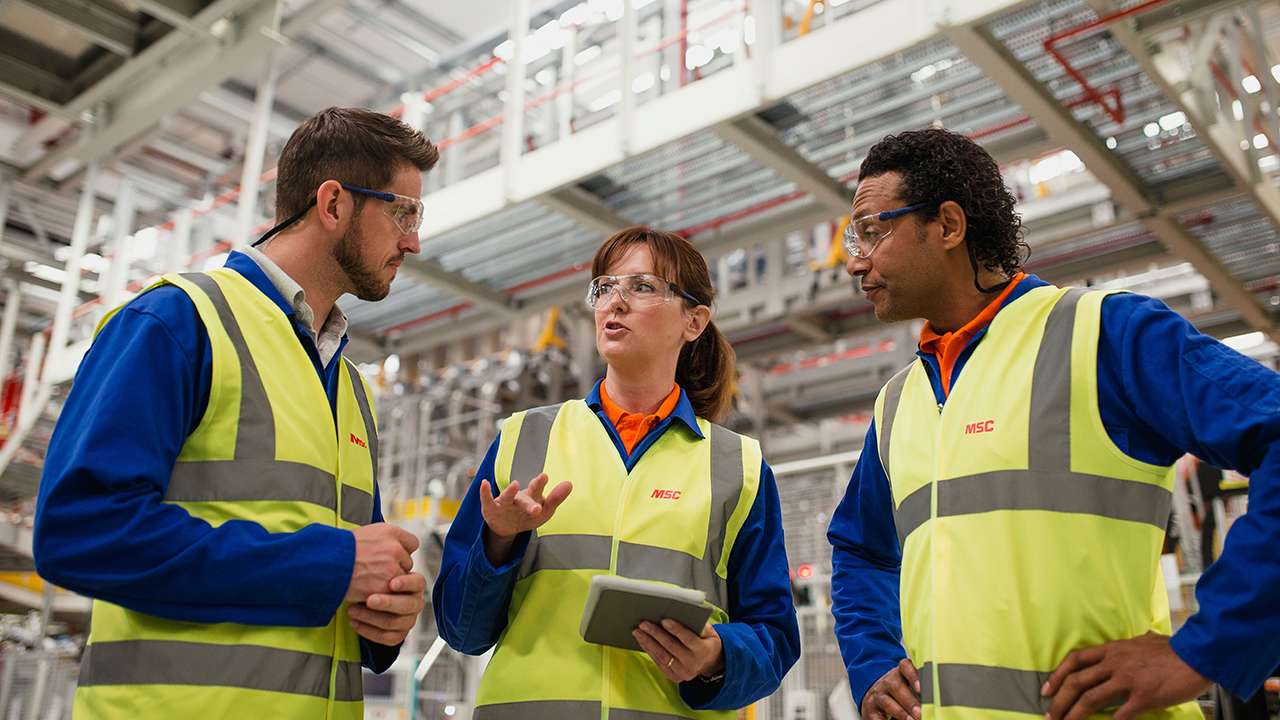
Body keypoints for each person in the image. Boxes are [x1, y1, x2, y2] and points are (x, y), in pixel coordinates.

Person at [826, 128, 1280, 720]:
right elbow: (860, 550)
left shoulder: (1103, 336)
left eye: (872, 230)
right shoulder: (896, 403)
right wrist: (873, 662)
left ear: (948, 226)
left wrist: (1204, 650)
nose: (856, 261)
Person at [33, 106, 438, 719]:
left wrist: (384, 616)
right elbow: (79, 532)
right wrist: (329, 563)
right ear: (333, 205)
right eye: (402, 213)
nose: (413, 240)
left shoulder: (352, 388)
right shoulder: (178, 322)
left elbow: (345, 582)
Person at [433, 226, 800, 719]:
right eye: (604, 288)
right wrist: (497, 544)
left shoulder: (739, 468)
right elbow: (461, 630)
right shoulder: (524, 440)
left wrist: (716, 656)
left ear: (694, 321)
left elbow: (774, 636)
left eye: (642, 286)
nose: (614, 303)